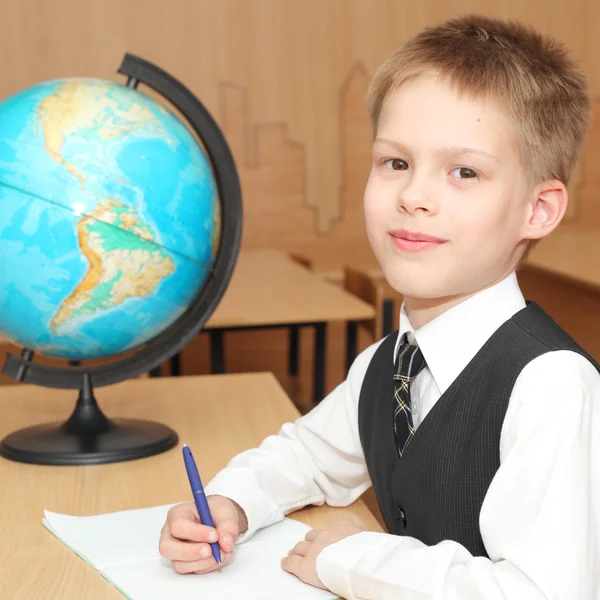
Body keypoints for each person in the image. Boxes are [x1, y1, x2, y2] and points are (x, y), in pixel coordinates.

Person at [159, 14, 600, 599]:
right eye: (395, 162)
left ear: (538, 210)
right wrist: (229, 502)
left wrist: (356, 560)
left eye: (464, 171)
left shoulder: (551, 386)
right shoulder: (385, 364)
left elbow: (545, 593)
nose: (414, 196)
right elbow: (308, 456)